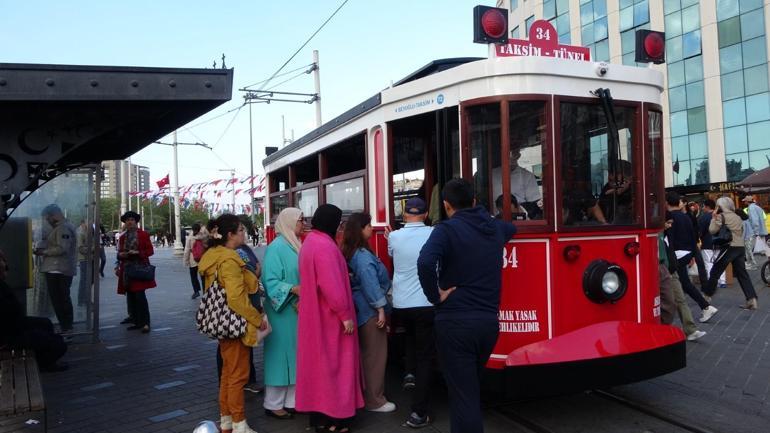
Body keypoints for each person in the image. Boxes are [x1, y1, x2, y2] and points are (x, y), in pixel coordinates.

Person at [417, 178, 517, 433]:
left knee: (464, 398)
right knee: (470, 389)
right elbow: (511, 228)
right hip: (488, 325)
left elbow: (426, 262)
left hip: (455, 324)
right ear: (474, 201)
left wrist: (435, 296)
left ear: (447, 206)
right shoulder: (495, 229)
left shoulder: (446, 230)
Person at [296, 204, 363, 433]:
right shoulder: (325, 246)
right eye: (339, 222)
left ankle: (320, 419)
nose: (340, 226)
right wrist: (345, 315)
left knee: (318, 369)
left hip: (313, 318)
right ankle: (337, 419)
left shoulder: (310, 243)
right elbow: (331, 287)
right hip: (329, 319)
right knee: (335, 368)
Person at [198, 214, 265, 433]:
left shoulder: (214, 256)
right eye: (241, 230)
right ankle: (239, 424)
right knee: (238, 376)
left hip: (223, 323)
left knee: (228, 374)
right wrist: (256, 319)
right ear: (230, 235)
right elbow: (236, 298)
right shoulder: (229, 260)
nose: (244, 233)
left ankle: (227, 420)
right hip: (236, 323)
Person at [387, 197, 436, 428]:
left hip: (401, 303)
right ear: (426, 214)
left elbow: (392, 254)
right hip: (426, 302)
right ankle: (419, 412)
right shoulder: (433, 232)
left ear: (406, 214)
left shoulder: (395, 236)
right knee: (426, 355)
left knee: (408, 334)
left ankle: (408, 372)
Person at [342, 212, 395, 414]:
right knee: (375, 356)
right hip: (370, 310)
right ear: (361, 229)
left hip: (360, 308)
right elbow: (370, 284)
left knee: (367, 355)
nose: (371, 228)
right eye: (369, 225)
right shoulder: (363, 256)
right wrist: (381, 309)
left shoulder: (351, 251)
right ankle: (375, 400)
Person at [261, 207, 303, 420]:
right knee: (279, 356)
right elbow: (270, 282)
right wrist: (294, 290)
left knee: (296, 355)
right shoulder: (276, 248)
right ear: (289, 222)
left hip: (295, 310)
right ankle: (273, 402)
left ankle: (292, 400)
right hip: (282, 310)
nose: (302, 224)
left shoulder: (294, 245)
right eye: (299, 220)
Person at [0, 249, 69, 372]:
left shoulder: (2, 285)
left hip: (13, 327)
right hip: (7, 336)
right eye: (4, 267)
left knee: (46, 324)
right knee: (58, 344)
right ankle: (44, 363)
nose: (7, 270)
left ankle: (44, 357)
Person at [665, 192, 717, 323]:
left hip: (676, 254)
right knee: (684, 283)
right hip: (687, 252)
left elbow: (670, 239)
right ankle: (703, 306)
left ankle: (704, 306)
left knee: (682, 283)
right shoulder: (686, 217)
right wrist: (693, 254)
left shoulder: (670, 217)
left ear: (667, 203)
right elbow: (693, 236)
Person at [703, 197, 759, 310]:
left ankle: (706, 297)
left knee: (715, 271)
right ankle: (751, 299)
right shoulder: (738, 216)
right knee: (742, 274)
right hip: (740, 247)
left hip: (729, 247)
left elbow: (712, 230)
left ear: (720, 206)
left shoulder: (720, 216)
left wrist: (713, 217)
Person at [660, 213, 706, 341]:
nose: (670, 225)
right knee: (669, 302)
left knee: (680, 299)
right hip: (663, 270)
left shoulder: (668, 234)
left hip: (671, 269)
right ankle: (664, 330)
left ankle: (690, 330)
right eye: (668, 223)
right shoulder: (657, 236)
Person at [34, 204, 77, 333]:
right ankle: (65, 326)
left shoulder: (63, 228)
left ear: (55, 215)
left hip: (58, 269)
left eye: (48, 218)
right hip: (56, 268)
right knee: (59, 299)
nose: (47, 221)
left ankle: (67, 326)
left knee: (61, 299)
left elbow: (62, 248)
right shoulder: (60, 227)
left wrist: (44, 252)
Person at [115, 211, 156, 334]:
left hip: (139, 270)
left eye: (132, 219)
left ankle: (145, 323)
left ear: (136, 222)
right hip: (127, 271)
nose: (129, 222)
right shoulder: (122, 237)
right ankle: (137, 322)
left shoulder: (143, 235)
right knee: (131, 296)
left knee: (140, 296)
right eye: (127, 220)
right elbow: (120, 253)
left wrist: (138, 253)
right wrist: (121, 255)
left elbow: (150, 251)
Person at [491, 146, 542, 219]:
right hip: (493, 221)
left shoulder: (527, 176)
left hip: (519, 221)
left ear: (518, 155)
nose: (510, 156)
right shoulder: (492, 174)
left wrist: (518, 209)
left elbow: (534, 204)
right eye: (507, 153)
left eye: (513, 153)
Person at [698, 200, 726, 289]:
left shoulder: (703, 218)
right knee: (720, 262)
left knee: (708, 263)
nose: (703, 208)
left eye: (703, 206)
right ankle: (722, 281)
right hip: (720, 242)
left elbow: (700, 232)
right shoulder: (720, 216)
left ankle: (712, 282)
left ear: (707, 207)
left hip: (707, 243)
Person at [183, 223, 207, 300]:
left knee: (193, 276)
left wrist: (186, 261)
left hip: (193, 259)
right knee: (203, 277)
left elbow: (187, 250)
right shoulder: (204, 237)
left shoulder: (190, 237)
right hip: (202, 260)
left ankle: (196, 291)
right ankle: (205, 292)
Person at [745, 195, 767, 266]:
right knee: (761, 249)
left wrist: (755, 232)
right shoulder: (757, 207)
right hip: (761, 231)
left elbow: (755, 221)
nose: (744, 202)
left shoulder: (751, 208)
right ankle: (764, 264)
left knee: (751, 249)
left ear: (747, 201)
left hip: (756, 232)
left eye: (745, 201)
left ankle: (752, 263)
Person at [76, 220, 89, 307]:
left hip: (86, 258)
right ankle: (81, 300)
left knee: (85, 280)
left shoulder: (85, 231)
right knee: (84, 280)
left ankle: (84, 299)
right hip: (83, 258)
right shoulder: (81, 232)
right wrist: (92, 250)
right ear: (83, 223)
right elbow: (80, 247)